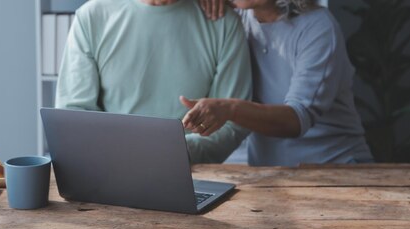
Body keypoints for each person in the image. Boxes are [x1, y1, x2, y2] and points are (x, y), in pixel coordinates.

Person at [55, 0, 253, 163]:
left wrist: (176, 152)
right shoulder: (91, 17)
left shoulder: (222, 21)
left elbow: (233, 122)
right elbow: (73, 114)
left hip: (191, 171)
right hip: (110, 167)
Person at [180, 0, 373, 165]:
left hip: (336, 169)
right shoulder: (237, 18)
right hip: (270, 176)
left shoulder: (319, 27)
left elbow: (296, 119)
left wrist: (229, 109)